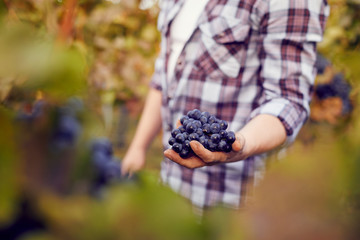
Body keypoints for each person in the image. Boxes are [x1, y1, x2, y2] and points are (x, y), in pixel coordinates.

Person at [121, 0, 329, 209]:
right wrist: (138, 147)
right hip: (173, 185)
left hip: (239, 201)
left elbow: (289, 99)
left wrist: (241, 145)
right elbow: (164, 75)